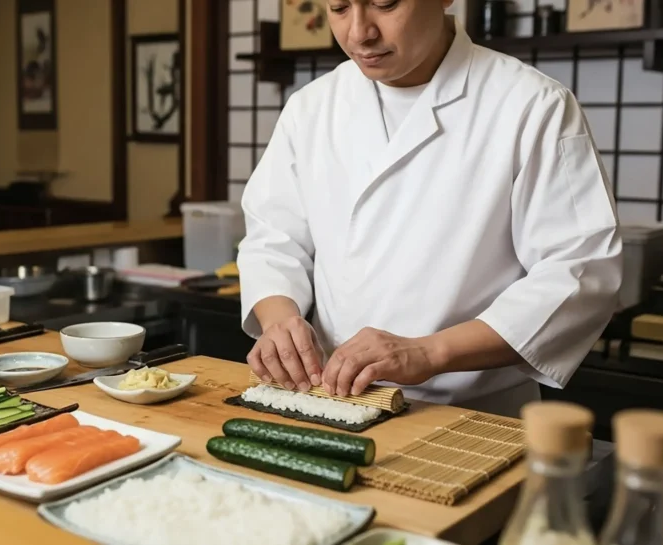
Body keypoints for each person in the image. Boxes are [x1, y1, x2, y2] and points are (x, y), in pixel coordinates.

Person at [236, 0, 624, 417]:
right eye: (339, 7)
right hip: (335, 401)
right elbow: (273, 238)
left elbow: (579, 270)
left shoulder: (531, 104)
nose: (359, 32)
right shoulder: (311, 107)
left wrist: (430, 353)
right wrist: (279, 321)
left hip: (473, 414)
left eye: (384, 4)